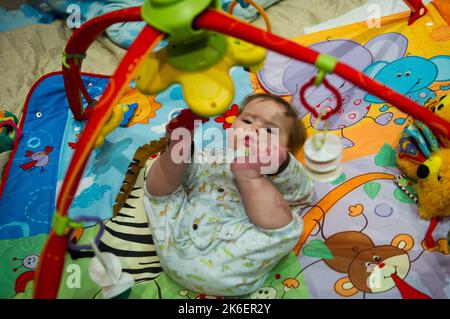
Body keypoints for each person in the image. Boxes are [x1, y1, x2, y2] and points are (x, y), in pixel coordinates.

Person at [144, 93, 314, 296]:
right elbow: (187, 175)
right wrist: (181, 149)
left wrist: (279, 163)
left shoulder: (281, 172)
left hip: (237, 255)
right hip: (178, 243)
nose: (254, 129)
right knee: (163, 189)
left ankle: (250, 177)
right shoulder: (211, 154)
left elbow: (301, 190)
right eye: (247, 120)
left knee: (284, 227)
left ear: (287, 150)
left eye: (269, 130)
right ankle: (178, 144)